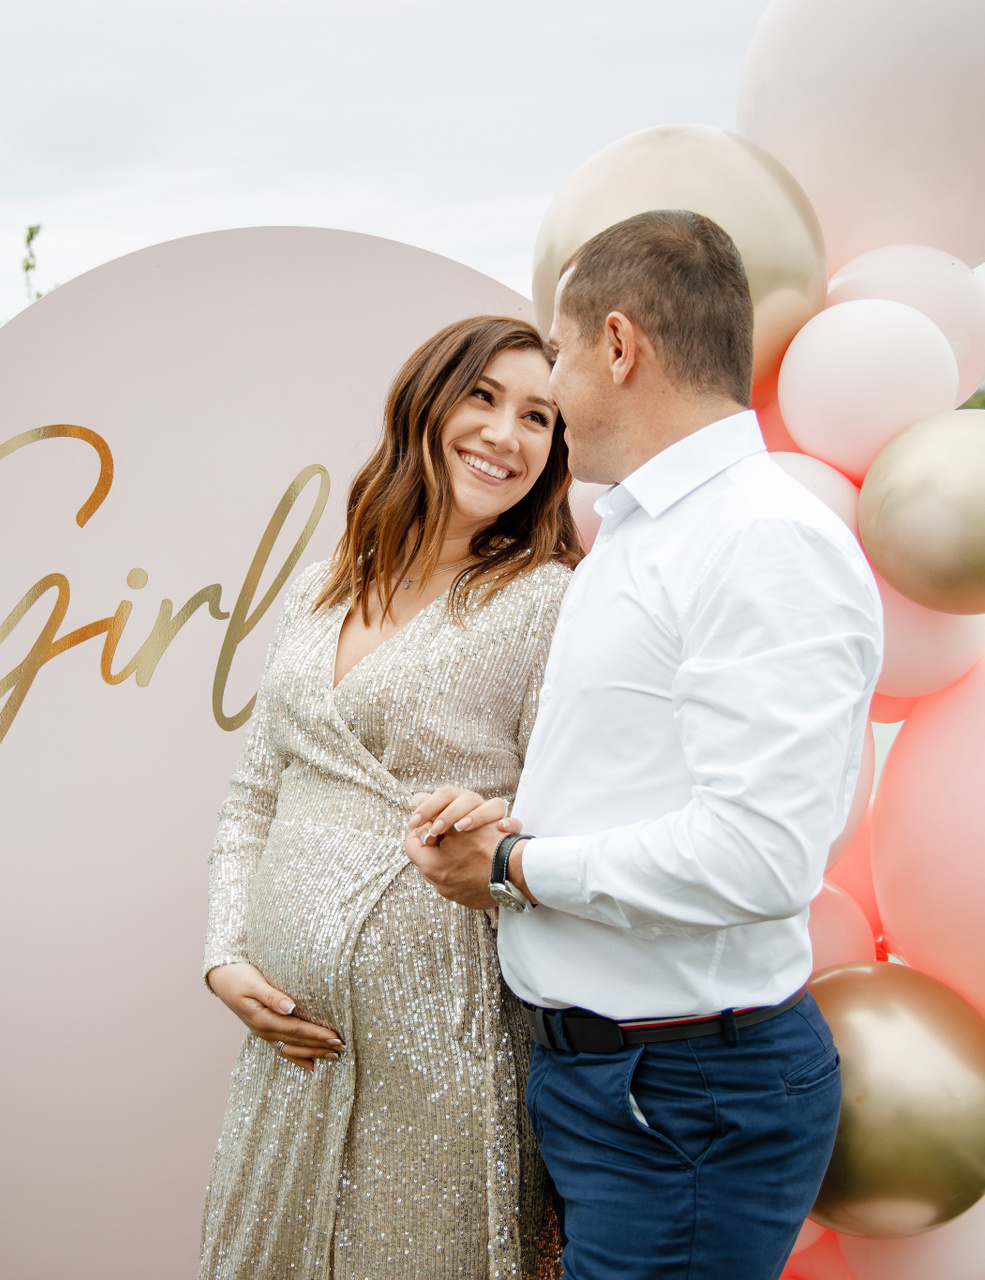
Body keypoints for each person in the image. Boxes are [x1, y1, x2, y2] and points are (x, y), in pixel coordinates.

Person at [406, 210, 883, 1279]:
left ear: (618, 345)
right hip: (625, 1085)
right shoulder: (647, 529)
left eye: (560, 351)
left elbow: (757, 856)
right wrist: (512, 826)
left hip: (681, 1099)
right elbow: (637, 779)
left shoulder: (760, 541)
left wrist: (513, 866)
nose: (555, 382)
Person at [200, 314, 581, 1280]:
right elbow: (255, 794)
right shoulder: (323, 586)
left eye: (538, 417)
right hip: (291, 1055)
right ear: (424, 402)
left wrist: (500, 829)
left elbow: (569, 814)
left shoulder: (545, 602)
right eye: (483, 397)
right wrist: (224, 957)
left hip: (445, 1045)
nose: (505, 435)